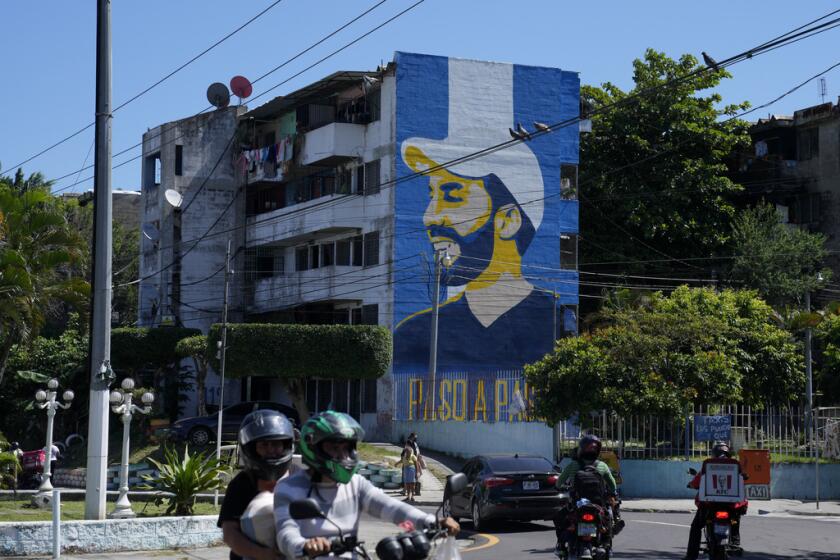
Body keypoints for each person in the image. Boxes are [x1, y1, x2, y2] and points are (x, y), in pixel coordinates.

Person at [394, 57, 564, 372]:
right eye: (431, 195)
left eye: (451, 195)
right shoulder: (410, 335)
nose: (430, 217)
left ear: (509, 220)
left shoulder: (558, 327)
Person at [274, 411, 459, 559]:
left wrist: (432, 522)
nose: (343, 456)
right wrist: (305, 545)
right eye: (334, 448)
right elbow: (285, 533)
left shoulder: (355, 484)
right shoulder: (288, 488)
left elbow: (391, 508)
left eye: (347, 448)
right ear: (313, 447)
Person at [218, 409, 296, 560]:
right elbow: (230, 534)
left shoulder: (299, 480)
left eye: (276, 444)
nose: (271, 450)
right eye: (264, 445)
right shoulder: (241, 484)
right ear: (252, 448)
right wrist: (263, 554)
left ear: (286, 445)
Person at [553, 435, 624, 551]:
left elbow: (559, 482)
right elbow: (612, 485)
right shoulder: (602, 466)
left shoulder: (573, 465)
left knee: (559, 518)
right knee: (608, 519)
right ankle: (606, 542)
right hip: (598, 505)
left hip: (576, 504)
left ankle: (561, 546)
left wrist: (557, 487)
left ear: (581, 449)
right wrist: (613, 493)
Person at [684, 442, 746, 560]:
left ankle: (691, 556)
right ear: (728, 453)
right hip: (730, 506)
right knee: (735, 520)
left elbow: (697, 481)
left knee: (696, 527)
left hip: (709, 505)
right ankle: (735, 542)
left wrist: (691, 484)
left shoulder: (708, 464)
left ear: (714, 453)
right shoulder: (735, 465)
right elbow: (742, 480)